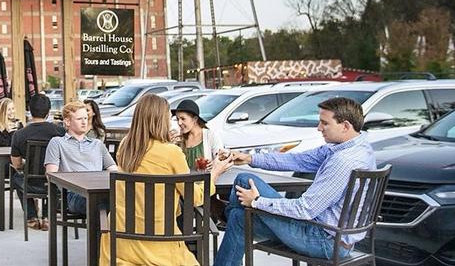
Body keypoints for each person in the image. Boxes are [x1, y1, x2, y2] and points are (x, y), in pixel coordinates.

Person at [213, 97, 377, 266]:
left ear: (345, 126)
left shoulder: (343, 161)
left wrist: (256, 202)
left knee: (242, 186)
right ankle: (226, 213)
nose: (319, 128)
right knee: (239, 216)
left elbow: (305, 209)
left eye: (324, 123)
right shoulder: (358, 147)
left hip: (323, 240)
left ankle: (223, 213)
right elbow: (297, 160)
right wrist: (249, 158)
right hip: (333, 235)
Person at [100, 94, 233, 266]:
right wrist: (214, 172)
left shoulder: (125, 146)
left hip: (119, 241)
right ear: (161, 120)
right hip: (158, 243)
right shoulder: (171, 153)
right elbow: (195, 198)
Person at [45, 102, 117, 217]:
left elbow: (114, 170)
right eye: (79, 119)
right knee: (106, 203)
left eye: (86, 118)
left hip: (99, 190)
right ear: (67, 122)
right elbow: (51, 175)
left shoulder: (97, 144)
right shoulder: (57, 142)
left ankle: (108, 233)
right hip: (74, 194)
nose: (84, 122)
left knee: (122, 198)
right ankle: (103, 234)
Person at [11, 93, 64, 230]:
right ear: (48, 111)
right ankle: (47, 217)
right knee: (52, 180)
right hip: (56, 183)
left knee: (16, 177)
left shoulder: (19, 134)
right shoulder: (60, 132)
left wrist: (28, 165)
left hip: (31, 184)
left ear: (29, 109)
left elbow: (16, 164)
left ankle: (31, 217)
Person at [169, 99, 224, 170]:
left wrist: (214, 163)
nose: (179, 123)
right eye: (177, 119)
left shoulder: (210, 136)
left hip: (206, 180)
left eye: (183, 119)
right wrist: (170, 144)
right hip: (184, 180)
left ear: (195, 119)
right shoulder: (179, 139)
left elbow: (221, 158)